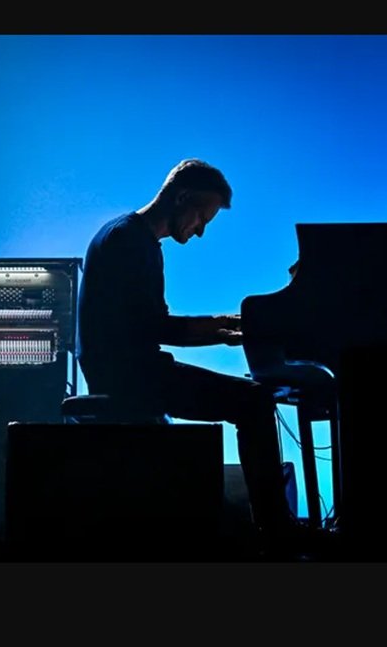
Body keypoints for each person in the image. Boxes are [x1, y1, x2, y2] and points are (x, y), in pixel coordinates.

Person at [75, 158, 322, 558]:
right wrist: (225, 332)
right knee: (253, 401)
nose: (201, 231)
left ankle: (276, 526)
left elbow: (150, 324)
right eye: (200, 216)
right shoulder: (129, 240)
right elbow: (156, 328)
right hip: (131, 377)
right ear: (182, 197)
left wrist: (225, 324)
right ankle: (277, 530)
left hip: (129, 370)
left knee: (250, 398)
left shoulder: (129, 236)